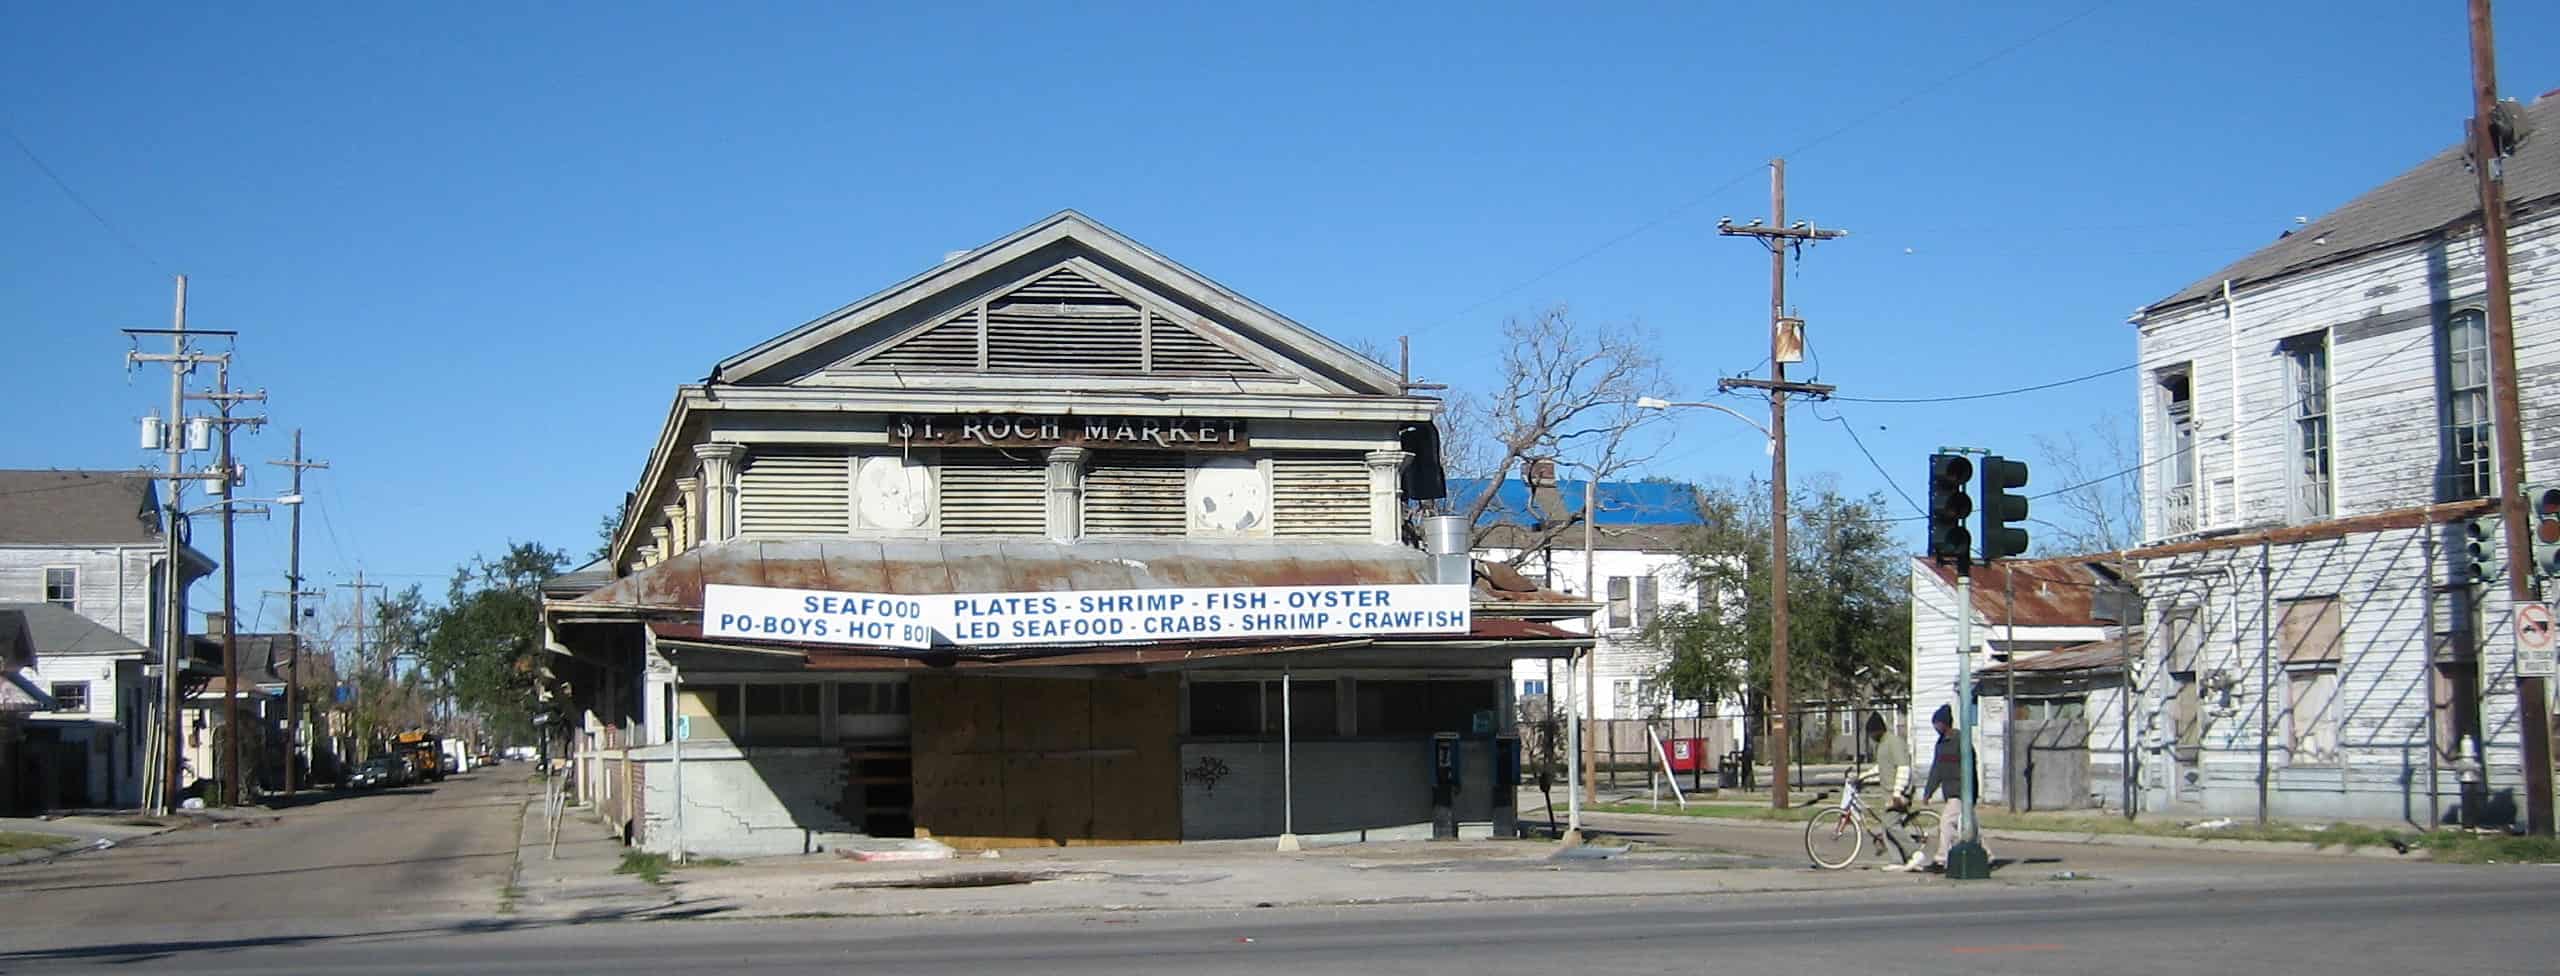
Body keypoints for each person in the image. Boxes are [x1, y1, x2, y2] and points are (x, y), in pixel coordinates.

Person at [1888, 703, 1980, 872]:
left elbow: (1971, 769)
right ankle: (1986, 855)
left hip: (1962, 792)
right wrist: (1928, 792)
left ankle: (1941, 859)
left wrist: (1972, 792)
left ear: (1945, 723)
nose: (1935, 727)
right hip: (1950, 791)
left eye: (1937, 724)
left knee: (1945, 823)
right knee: (1969, 826)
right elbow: (1936, 770)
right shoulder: (1941, 744)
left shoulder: (1961, 741)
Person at [1859, 713, 1910, 809]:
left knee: (1890, 824)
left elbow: (1903, 767)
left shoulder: (1893, 742)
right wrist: (1862, 777)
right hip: (1889, 796)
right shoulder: (1882, 744)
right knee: (1887, 822)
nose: (1870, 736)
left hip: (1898, 796)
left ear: (1878, 730)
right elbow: (1882, 767)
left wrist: (1897, 793)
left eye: (1871, 733)